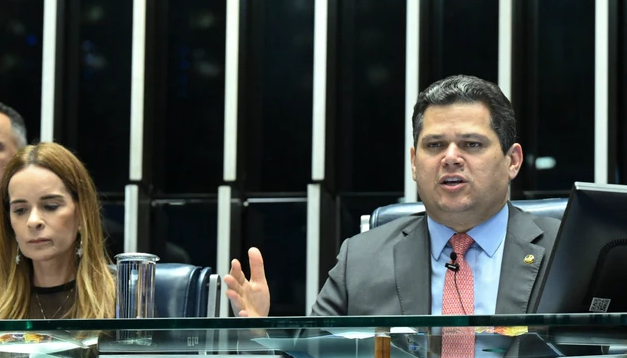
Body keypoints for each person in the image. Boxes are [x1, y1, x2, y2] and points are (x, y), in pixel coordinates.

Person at [225, 74, 560, 319]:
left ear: (512, 161)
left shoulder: (566, 251)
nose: (450, 158)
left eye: (471, 144)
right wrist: (260, 332)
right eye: (434, 145)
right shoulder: (361, 259)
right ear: (414, 162)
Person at [0, 142, 115, 319]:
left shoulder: (123, 297)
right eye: (20, 210)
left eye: (50, 206)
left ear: (82, 214)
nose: (33, 221)